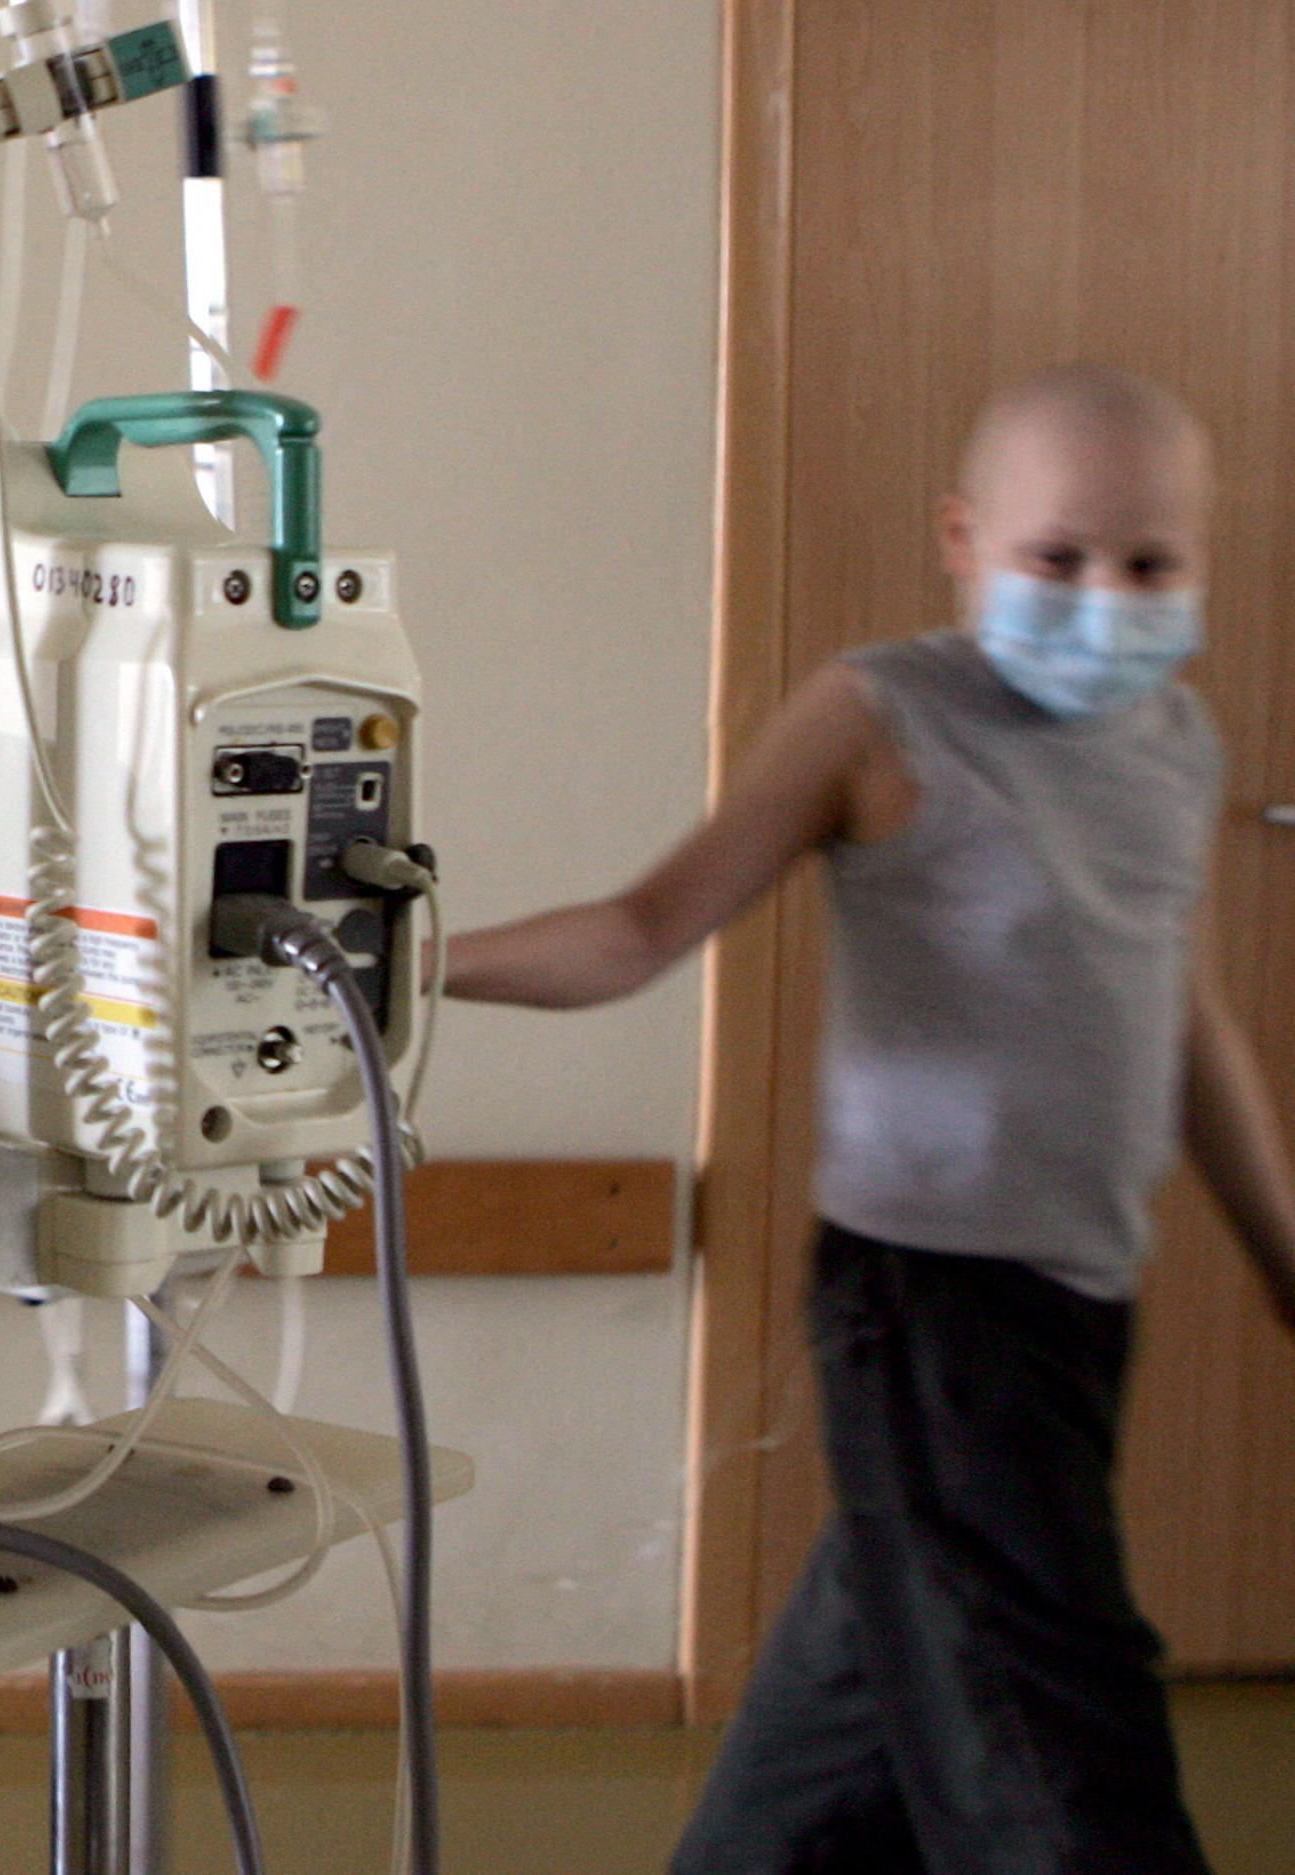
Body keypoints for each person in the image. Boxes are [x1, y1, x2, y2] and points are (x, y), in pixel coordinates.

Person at [441, 364, 1295, 1872]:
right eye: (1057, 558)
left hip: (1081, 1307)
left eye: (1152, 563)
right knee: (1058, 1769)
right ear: (963, 541)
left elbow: (1188, 1022)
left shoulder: (1176, 745)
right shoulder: (879, 717)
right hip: (929, 1315)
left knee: (863, 1716)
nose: (1106, 599)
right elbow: (642, 929)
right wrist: (390, 970)